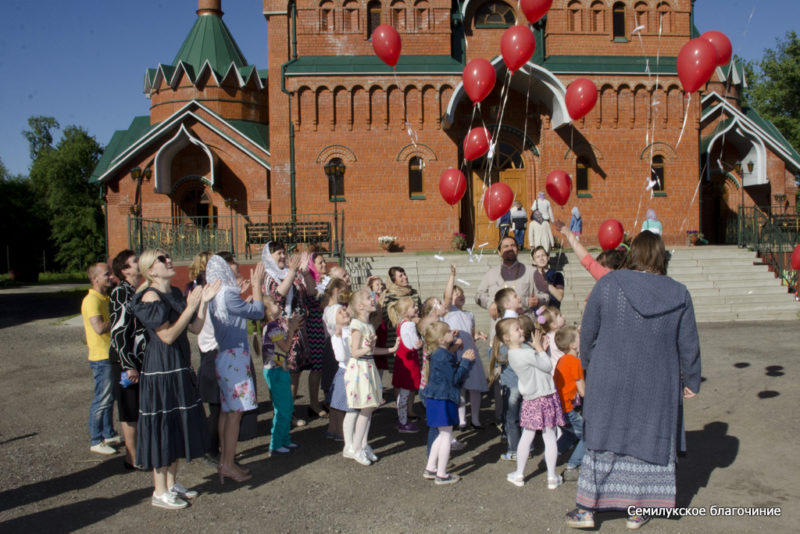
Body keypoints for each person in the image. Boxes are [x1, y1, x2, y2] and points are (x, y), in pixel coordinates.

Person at [565, 231, 701, 530]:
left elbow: (588, 331)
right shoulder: (679, 292)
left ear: (633, 254)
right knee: (648, 434)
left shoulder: (610, 283)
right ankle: (638, 510)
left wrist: (588, 365)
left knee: (602, 437)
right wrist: (691, 378)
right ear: (660, 256)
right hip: (658, 381)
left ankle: (587, 511)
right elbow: (688, 342)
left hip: (608, 374)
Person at [132, 250, 220, 509]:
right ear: (151, 270)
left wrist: (202, 302)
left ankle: (171, 483)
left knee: (177, 423)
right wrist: (191, 306)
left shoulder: (172, 293)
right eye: (162, 259)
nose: (169, 260)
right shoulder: (150, 296)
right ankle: (159, 491)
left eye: (168, 256)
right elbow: (168, 336)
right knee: (164, 426)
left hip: (177, 366)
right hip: (161, 369)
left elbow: (194, 328)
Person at [206, 255, 265, 482]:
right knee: (235, 414)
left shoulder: (216, 295)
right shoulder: (228, 294)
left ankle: (225, 461)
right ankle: (228, 463)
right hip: (235, 357)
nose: (237, 275)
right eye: (234, 271)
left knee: (226, 411)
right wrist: (258, 286)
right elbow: (258, 312)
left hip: (224, 355)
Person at [499, 318, 565, 490]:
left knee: (528, 435)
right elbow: (546, 365)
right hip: (544, 396)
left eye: (520, 328)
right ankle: (551, 476)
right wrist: (540, 349)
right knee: (548, 435)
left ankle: (519, 473)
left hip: (533, 398)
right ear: (507, 337)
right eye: (516, 329)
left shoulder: (518, 353)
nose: (521, 331)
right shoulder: (524, 353)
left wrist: (538, 348)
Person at [420, 321, 475, 485]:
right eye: (448, 331)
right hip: (444, 399)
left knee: (440, 433)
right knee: (446, 435)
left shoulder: (438, 353)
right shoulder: (443, 355)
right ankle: (442, 474)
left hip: (436, 398)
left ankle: (431, 468)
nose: (453, 332)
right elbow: (455, 379)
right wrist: (465, 361)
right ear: (440, 339)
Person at [344, 289, 395, 465]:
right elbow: (356, 352)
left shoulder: (369, 325)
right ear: (360, 306)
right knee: (365, 410)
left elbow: (371, 350)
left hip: (368, 367)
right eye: (368, 298)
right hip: (360, 369)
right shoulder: (357, 325)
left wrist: (391, 350)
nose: (373, 299)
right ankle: (356, 448)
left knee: (369, 408)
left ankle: (363, 445)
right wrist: (369, 347)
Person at [262, 241, 310, 426]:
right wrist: (292, 272)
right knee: (282, 374)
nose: (282, 256)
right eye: (278, 253)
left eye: (283, 252)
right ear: (269, 256)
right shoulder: (269, 275)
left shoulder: (290, 273)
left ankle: (288, 412)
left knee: (294, 373)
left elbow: (306, 293)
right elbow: (277, 296)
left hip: (296, 329)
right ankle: (282, 415)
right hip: (279, 332)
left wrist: (302, 273)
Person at [109, 250, 146, 468]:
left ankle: (140, 452)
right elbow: (119, 330)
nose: (139, 263)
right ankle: (131, 457)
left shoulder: (137, 290)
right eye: (134, 261)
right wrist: (128, 364)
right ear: (124, 270)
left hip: (140, 358)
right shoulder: (121, 293)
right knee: (130, 410)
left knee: (139, 408)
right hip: (126, 361)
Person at [82, 261, 121, 455]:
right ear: (95, 278)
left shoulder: (104, 298)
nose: (110, 277)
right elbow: (98, 328)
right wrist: (118, 317)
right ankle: (96, 438)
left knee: (109, 397)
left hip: (109, 355)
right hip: (101, 357)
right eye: (107, 274)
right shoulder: (92, 301)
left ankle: (108, 432)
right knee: (102, 398)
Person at [444, 268, 487, 430]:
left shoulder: (469, 314)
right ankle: (461, 419)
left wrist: (477, 336)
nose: (459, 296)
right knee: (460, 387)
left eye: (461, 293)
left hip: (470, 352)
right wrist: (452, 276)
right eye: (456, 294)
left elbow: (470, 333)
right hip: (457, 352)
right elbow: (447, 298)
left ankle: (475, 418)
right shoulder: (448, 312)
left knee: (474, 387)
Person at [260, 294, 302, 456]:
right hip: (275, 371)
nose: (279, 305)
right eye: (275, 303)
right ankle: (275, 443)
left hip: (279, 367)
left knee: (287, 406)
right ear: (267, 310)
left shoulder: (275, 325)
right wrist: (292, 330)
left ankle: (284, 439)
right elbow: (284, 347)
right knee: (283, 408)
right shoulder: (272, 327)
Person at [323, 303, 358, 457]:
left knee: (352, 408)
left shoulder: (351, 330)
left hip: (355, 371)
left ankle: (351, 437)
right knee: (348, 408)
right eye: (340, 312)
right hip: (346, 373)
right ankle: (347, 440)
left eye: (344, 309)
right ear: (333, 320)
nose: (344, 312)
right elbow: (342, 357)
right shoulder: (337, 336)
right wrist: (339, 337)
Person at [553, 326, 585, 482]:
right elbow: (583, 391)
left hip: (560, 407)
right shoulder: (575, 363)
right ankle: (572, 466)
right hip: (569, 407)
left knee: (570, 434)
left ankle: (551, 458)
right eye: (579, 337)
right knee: (588, 435)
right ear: (573, 345)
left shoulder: (562, 360)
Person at [300, 252, 329, 418]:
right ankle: (313, 402)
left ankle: (328, 399)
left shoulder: (326, 279)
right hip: (316, 327)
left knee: (328, 365)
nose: (324, 264)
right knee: (317, 368)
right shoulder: (309, 281)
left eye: (324, 261)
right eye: (320, 263)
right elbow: (313, 295)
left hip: (327, 326)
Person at [388, 296, 423, 433]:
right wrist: (419, 344)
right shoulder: (410, 325)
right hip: (409, 364)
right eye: (413, 306)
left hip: (402, 362)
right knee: (405, 394)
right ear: (404, 312)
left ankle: (402, 419)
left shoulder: (401, 324)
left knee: (403, 394)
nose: (416, 308)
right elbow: (413, 344)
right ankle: (402, 421)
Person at [380, 266, 422, 348]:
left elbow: (420, 313)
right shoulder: (389, 296)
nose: (405, 277)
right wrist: (410, 321)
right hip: (397, 341)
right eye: (400, 276)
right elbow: (388, 321)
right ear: (394, 280)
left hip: (416, 339)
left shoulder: (414, 293)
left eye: (405, 274)